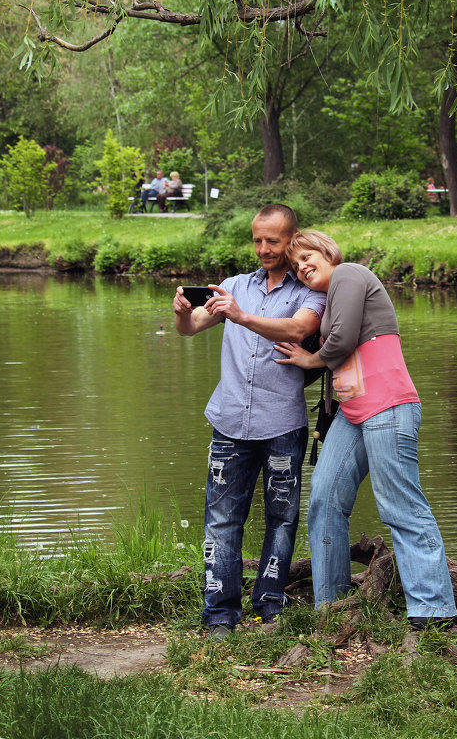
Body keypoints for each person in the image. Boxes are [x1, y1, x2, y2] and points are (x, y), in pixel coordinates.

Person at [274, 230, 457, 630]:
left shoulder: (350, 274)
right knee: (324, 499)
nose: (302, 267)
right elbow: (331, 351)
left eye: (308, 257)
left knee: (400, 505)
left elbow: (340, 342)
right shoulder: (329, 297)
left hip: (389, 406)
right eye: (295, 265)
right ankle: (332, 605)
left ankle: (433, 608)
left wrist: (310, 359)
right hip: (353, 412)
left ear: (328, 252)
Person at [173, 204, 326, 638]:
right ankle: (220, 614)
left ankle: (269, 605)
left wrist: (241, 316)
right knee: (221, 520)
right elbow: (191, 328)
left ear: (292, 239)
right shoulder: (235, 286)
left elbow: (298, 330)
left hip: (282, 424)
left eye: (273, 241)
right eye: (257, 240)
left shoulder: (311, 290)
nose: (263, 248)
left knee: (282, 519)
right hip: (228, 423)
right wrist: (184, 312)